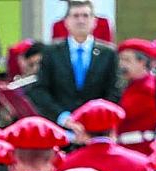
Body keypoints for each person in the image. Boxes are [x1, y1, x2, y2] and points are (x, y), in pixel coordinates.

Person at [27, 0, 121, 136]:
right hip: (61, 129)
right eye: (76, 16)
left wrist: (93, 118)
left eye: (85, 16)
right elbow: (40, 90)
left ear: (94, 21)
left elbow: (114, 91)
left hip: (96, 131)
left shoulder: (108, 53)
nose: (81, 20)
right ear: (66, 21)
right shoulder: (51, 52)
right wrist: (63, 117)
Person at [117, 38, 156, 153]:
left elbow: (121, 116)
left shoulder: (147, 89)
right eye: (121, 60)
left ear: (142, 62)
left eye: (127, 60)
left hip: (139, 149)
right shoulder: (133, 85)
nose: (121, 65)